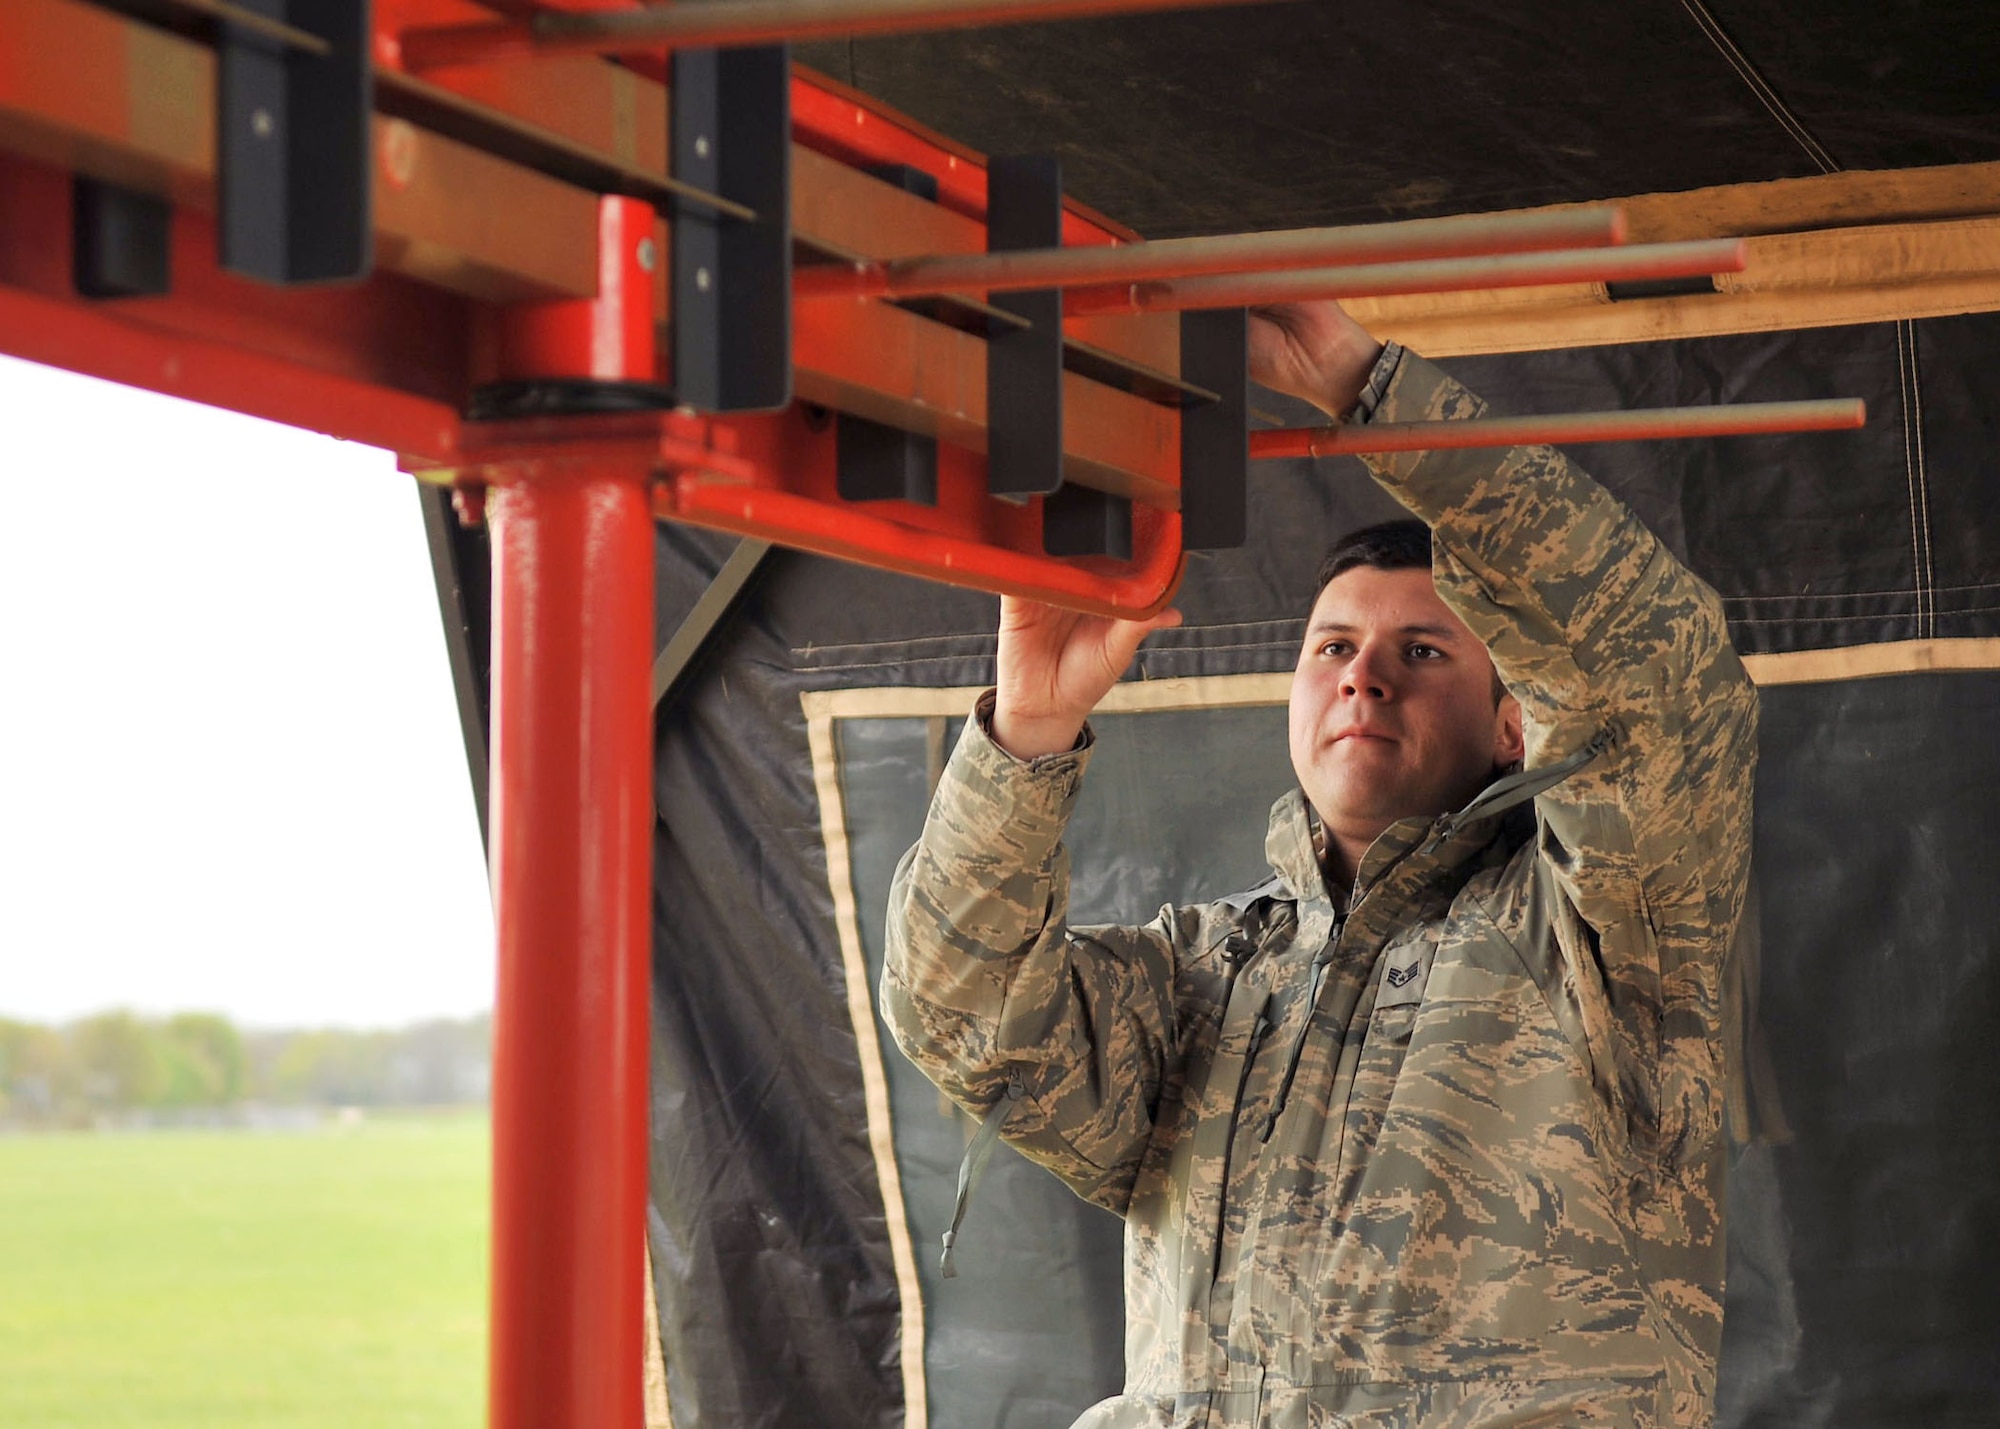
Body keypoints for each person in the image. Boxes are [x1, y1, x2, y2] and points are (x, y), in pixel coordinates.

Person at [882, 300, 1758, 1429]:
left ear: (1512, 724)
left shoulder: (1602, 933)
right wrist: (1026, 732)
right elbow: (961, 1014)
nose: (1362, 677)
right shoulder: (1204, 974)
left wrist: (1362, 383)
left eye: (1422, 650)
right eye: (1332, 647)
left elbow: (1649, 675)